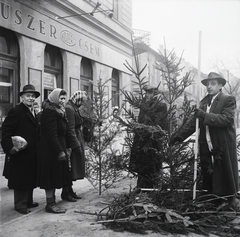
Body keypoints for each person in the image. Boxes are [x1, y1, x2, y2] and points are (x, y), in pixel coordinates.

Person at [170, 72, 239, 210]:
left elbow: (227, 119)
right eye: (208, 84)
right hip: (206, 143)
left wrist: (205, 115)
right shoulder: (204, 102)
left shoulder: (228, 99)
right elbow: (193, 123)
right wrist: (178, 136)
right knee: (209, 170)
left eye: (213, 84)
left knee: (223, 170)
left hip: (221, 143)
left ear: (220, 85)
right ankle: (213, 199)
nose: (209, 86)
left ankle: (228, 201)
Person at [1, 84, 40, 214]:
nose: (31, 98)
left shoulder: (33, 111)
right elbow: (6, 130)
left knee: (29, 177)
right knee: (21, 179)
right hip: (20, 152)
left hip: (31, 152)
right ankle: (20, 205)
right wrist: (10, 148)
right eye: (28, 96)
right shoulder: (16, 111)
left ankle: (28, 201)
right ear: (22, 97)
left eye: (33, 96)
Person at [37, 88, 72, 214]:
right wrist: (59, 151)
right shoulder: (49, 112)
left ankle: (52, 202)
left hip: (57, 147)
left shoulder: (59, 111)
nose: (63, 101)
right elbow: (51, 134)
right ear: (54, 98)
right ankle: (50, 204)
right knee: (50, 178)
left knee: (55, 176)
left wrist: (65, 148)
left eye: (64, 98)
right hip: (50, 150)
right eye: (60, 98)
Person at [129, 85, 167, 189]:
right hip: (141, 140)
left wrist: (149, 131)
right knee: (141, 165)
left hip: (153, 141)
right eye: (146, 93)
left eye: (150, 93)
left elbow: (161, 125)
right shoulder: (143, 105)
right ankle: (141, 186)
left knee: (152, 166)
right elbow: (140, 121)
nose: (147, 95)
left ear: (155, 94)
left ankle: (152, 188)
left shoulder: (161, 106)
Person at [62, 90, 89, 201]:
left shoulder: (74, 107)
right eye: (83, 101)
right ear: (78, 99)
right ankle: (66, 192)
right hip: (72, 142)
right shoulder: (70, 108)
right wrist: (76, 146)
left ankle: (69, 190)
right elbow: (70, 129)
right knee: (70, 167)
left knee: (72, 168)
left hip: (76, 138)